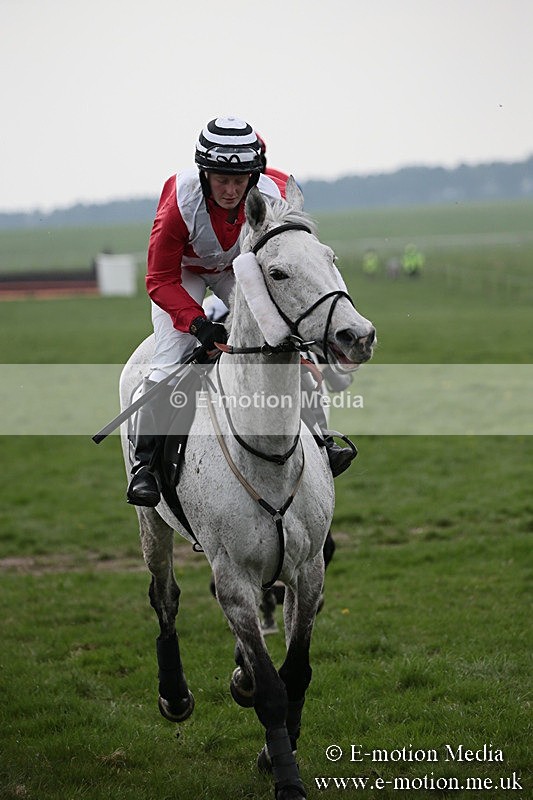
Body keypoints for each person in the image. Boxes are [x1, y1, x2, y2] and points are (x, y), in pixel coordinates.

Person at [127, 116, 356, 507]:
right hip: (184, 271)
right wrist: (199, 325)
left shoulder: (275, 190)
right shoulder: (178, 204)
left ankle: (321, 439)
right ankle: (145, 466)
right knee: (167, 359)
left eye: (240, 180)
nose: (232, 190)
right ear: (204, 175)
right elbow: (159, 279)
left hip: (241, 266)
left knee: (284, 339)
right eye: (221, 181)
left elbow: (301, 258)